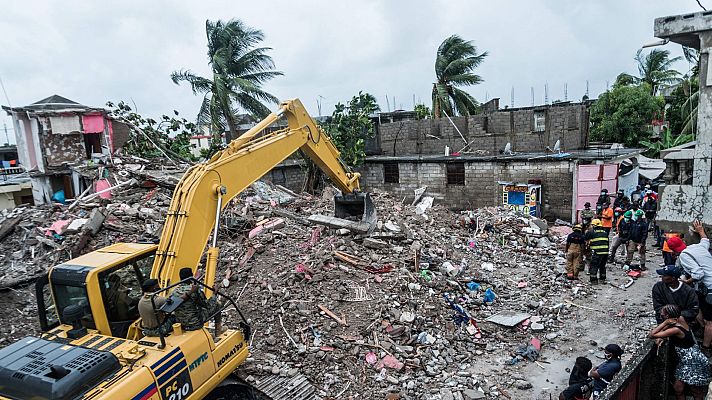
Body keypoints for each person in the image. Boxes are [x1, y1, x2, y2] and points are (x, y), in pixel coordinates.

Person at [648, 304, 711, 400]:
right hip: (686, 360)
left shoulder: (676, 329)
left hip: (692, 361)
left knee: (695, 390)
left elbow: (652, 334)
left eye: (663, 315)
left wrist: (665, 323)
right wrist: (662, 336)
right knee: (678, 388)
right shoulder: (680, 319)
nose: (661, 315)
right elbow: (664, 331)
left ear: (668, 317)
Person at [668, 220, 712, 349]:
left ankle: (705, 346)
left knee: (710, 321)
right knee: (696, 303)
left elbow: (698, 274)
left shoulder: (684, 256)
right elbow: (705, 240)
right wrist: (700, 230)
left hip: (710, 288)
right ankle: (703, 330)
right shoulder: (697, 247)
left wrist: (686, 282)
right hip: (706, 288)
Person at [173, 267, 224, 333]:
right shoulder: (194, 290)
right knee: (217, 305)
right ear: (191, 276)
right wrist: (214, 294)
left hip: (180, 323)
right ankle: (218, 330)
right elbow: (207, 305)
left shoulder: (174, 291)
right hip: (194, 323)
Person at [586, 219, 609, 285]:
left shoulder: (591, 232)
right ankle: (602, 279)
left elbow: (585, 238)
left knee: (594, 265)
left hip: (597, 252)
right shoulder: (605, 232)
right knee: (602, 265)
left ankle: (594, 280)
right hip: (605, 252)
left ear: (594, 225)